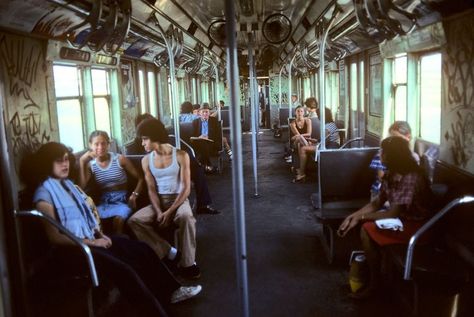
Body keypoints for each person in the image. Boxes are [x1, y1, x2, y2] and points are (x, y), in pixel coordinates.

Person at [27, 142, 202, 316]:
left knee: (142, 249)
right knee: (125, 268)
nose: (65, 164)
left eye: (66, 160)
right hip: (74, 252)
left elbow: (85, 217)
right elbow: (55, 238)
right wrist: (94, 241)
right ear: (46, 163)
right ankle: (154, 311)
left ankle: (172, 291)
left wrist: (100, 235)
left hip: (89, 240)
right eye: (59, 161)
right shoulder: (44, 196)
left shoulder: (67, 186)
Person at [337, 136, 432, 298]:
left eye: (383, 151)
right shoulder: (391, 174)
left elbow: (392, 213)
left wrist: (361, 219)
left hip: (419, 227)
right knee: (367, 225)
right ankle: (379, 277)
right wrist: (352, 216)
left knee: (367, 229)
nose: (380, 154)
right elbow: (376, 203)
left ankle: (376, 284)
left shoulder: (410, 177)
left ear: (393, 154)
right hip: (403, 221)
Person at [128, 118, 201, 279]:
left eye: (145, 139)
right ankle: (168, 251)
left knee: (186, 217)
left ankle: (188, 264)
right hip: (159, 201)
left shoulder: (181, 155)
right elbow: (152, 190)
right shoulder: (146, 160)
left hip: (179, 199)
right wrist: (159, 211)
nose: (143, 144)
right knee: (134, 220)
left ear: (154, 137)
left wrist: (169, 212)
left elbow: (186, 188)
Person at [133, 113, 219, 215]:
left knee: (198, 169)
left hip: (172, 162)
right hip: (155, 167)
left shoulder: (164, 137)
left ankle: (203, 204)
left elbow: (174, 150)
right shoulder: (140, 142)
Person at [79, 131, 144, 234]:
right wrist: (82, 162)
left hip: (123, 200)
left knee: (118, 221)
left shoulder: (120, 159)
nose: (100, 147)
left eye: (103, 143)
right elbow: (81, 188)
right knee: (91, 220)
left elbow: (141, 178)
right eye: (96, 144)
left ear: (108, 144)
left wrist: (134, 195)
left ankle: (120, 245)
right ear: (90, 145)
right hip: (105, 202)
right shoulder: (91, 165)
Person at [369, 121, 419, 201]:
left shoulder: (414, 158)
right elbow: (381, 178)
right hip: (381, 189)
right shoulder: (382, 154)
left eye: (397, 138)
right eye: (390, 137)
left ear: (408, 137)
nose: (392, 141)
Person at [293, 107, 340, 183]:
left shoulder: (328, 126)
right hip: (329, 145)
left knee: (303, 149)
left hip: (330, 148)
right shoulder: (329, 124)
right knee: (302, 145)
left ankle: (302, 174)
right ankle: (303, 170)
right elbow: (324, 139)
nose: (318, 117)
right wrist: (315, 141)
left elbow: (325, 142)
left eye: (318, 115)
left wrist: (315, 143)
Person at [191, 103, 232, 172]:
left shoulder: (214, 121)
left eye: (206, 112)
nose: (205, 114)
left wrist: (208, 137)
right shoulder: (195, 122)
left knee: (204, 144)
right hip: (199, 142)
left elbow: (218, 135)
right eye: (203, 112)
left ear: (209, 112)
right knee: (202, 143)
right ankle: (208, 164)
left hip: (212, 143)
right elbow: (193, 135)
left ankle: (203, 164)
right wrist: (199, 137)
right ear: (200, 113)